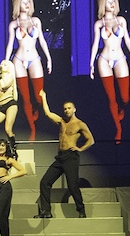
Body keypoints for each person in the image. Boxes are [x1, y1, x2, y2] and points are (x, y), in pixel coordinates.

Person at [35, 90, 93, 219]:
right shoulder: (61, 121)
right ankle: (46, 211)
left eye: (69, 108)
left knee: (72, 185)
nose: (66, 110)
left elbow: (91, 140)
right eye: (65, 109)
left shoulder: (80, 124)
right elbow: (48, 113)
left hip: (71, 157)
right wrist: (44, 97)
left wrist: (80, 148)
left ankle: (81, 209)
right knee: (45, 182)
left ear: (74, 109)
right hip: (60, 158)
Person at [88, 0, 130, 142]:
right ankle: (118, 128)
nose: (112, 4)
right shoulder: (99, 23)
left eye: (113, 1)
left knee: (125, 97)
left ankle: (121, 109)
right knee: (111, 98)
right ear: (103, 4)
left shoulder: (121, 20)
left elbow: (128, 40)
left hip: (120, 58)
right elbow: (96, 44)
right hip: (104, 59)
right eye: (108, 1)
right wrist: (91, 64)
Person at [5, 0, 51, 140]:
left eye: (28, 2)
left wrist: (48, 58)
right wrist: (5, 63)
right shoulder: (14, 24)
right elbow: (10, 44)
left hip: (34, 58)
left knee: (38, 97)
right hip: (19, 59)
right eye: (23, 2)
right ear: (18, 4)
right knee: (25, 98)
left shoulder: (36, 21)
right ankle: (32, 129)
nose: (26, 4)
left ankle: (36, 108)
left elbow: (42, 41)